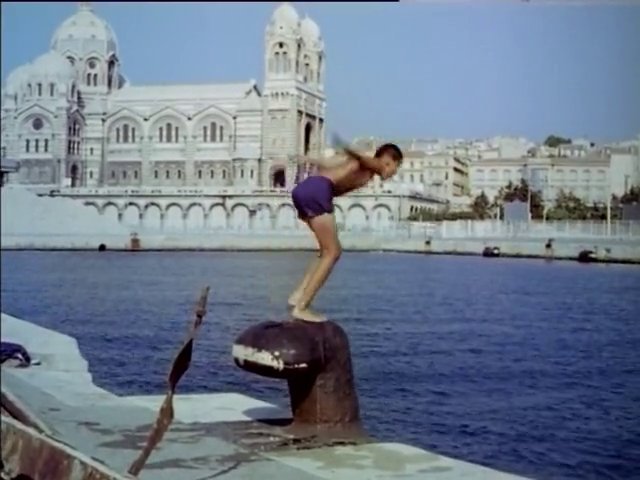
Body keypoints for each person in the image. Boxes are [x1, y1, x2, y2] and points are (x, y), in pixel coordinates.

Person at [288, 137, 404, 322]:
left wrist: (308, 159)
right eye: (394, 169)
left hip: (304, 189)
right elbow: (364, 159)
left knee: (325, 251)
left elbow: (327, 164)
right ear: (389, 161)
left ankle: (298, 296)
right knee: (333, 252)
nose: (391, 173)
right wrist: (349, 148)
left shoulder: (359, 167)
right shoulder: (374, 165)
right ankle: (302, 307)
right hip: (318, 190)